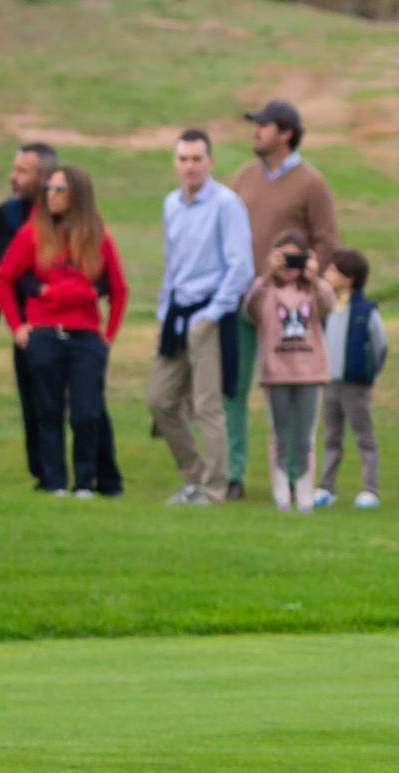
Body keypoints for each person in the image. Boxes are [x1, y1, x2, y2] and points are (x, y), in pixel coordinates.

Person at [224, 99, 342, 502]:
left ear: (286, 133)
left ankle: (294, 476)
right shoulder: (242, 178)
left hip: (293, 310)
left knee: (295, 391)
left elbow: (327, 240)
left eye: (264, 125)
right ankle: (233, 473)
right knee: (234, 388)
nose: (256, 131)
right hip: (246, 300)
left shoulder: (312, 183)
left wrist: (306, 283)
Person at [0, 165, 130, 498]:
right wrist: (18, 326)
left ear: (77, 196)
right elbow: (4, 279)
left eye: (59, 189)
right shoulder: (33, 233)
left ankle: (86, 482)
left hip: (85, 337)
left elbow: (119, 289)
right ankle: (54, 482)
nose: (51, 196)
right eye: (49, 188)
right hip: (44, 333)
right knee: (48, 411)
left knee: (86, 412)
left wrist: (107, 335)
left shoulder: (98, 237)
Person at [147, 129, 253, 505]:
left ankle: (214, 488)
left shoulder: (226, 204)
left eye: (196, 159)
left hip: (210, 312)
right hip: (177, 311)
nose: (189, 166)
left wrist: (211, 314)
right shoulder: (171, 204)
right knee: (159, 399)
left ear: (209, 162)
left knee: (208, 404)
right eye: (183, 159)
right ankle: (193, 475)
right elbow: (173, 263)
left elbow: (241, 266)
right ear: (175, 163)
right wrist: (165, 309)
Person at [240, 236, 338, 511]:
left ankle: (305, 493)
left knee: (305, 438)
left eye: (295, 258)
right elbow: (250, 310)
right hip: (276, 373)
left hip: (310, 373)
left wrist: (314, 276)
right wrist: (267, 275)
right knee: (280, 436)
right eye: (284, 258)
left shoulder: (313, 291)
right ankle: (282, 493)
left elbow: (328, 305)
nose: (289, 265)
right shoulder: (266, 290)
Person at [0, 142, 58, 491]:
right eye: (14, 169)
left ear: (45, 177)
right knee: (32, 399)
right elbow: (10, 271)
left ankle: (88, 469)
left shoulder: (69, 213)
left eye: (22, 171)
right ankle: (43, 471)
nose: (13, 177)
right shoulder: (6, 216)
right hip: (27, 323)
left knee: (77, 402)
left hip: (68, 321)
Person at [317, 248, 387, 509]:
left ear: (348, 278)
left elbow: (379, 346)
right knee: (331, 437)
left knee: (363, 436)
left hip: (355, 384)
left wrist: (368, 375)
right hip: (329, 383)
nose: (326, 275)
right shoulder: (325, 307)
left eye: (332, 271)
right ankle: (326, 487)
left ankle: (370, 489)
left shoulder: (365, 310)